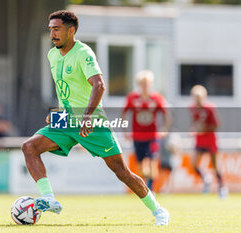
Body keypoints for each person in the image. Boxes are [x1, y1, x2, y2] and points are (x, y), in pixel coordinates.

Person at [21, 10, 170, 225]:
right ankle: (49, 199)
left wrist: (88, 116)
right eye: (51, 29)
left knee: (121, 171)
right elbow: (68, 89)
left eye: (57, 29)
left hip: (91, 120)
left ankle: (158, 211)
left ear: (71, 31)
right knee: (29, 147)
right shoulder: (52, 54)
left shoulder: (83, 53)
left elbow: (99, 85)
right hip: (65, 118)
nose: (52, 34)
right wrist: (58, 110)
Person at [122, 70, 171, 191]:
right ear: (138, 84)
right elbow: (124, 114)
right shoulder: (132, 98)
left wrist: (164, 129)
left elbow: (167, 114)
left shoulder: (157, 98)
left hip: (153, 136)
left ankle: (150, 188)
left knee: (151, 162)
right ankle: (148, 184)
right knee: (142, 167)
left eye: (147, 83)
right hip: (138, 137)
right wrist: (125, 130)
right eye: (143, 83)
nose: (145, 86)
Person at [189, 85, 228, 198]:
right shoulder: (192, 108)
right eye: (195, 97)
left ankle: (222, 188)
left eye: (199, 97)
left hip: (211, 141)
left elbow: (217, 125)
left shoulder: (210, 108)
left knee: (216, 166)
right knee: (194, 165)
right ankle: (206, 178)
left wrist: (204, 129)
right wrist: (194, 129)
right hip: (199, 141)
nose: (197, 100)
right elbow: (195, 123)